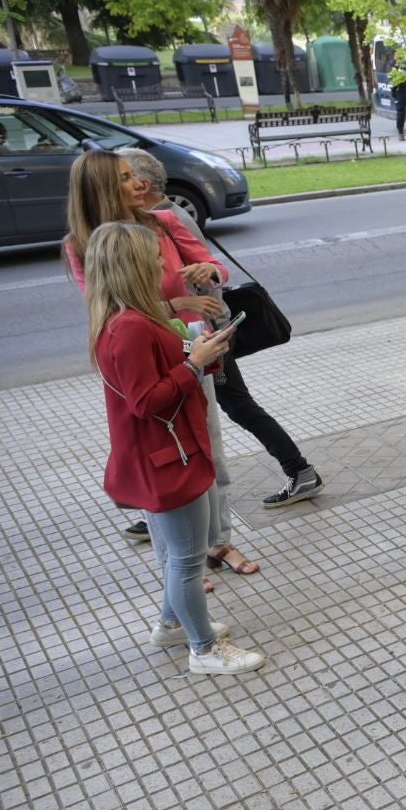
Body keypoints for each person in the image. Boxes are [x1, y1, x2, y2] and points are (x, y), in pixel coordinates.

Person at [63, 150, 259, 587]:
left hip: (189, 345)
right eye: (126, 178)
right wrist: (180, 303)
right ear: (100, 189)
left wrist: (209, 270)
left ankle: (218, 542)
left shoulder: (162, 222)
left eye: (136, 176)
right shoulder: (82, 244)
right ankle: (177, 565)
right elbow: (108, 310)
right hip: (138, 355)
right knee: (159, 457)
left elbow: (218, 272)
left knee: (208, 445)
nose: (140, 185)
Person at [84, 221, 265, 675]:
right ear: (131, 266)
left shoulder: (132, 318)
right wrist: (193, 363)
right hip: (167, 459)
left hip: (174, 453)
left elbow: (160, 373)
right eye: (153, 259)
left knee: (181, 556)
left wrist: (198, 351)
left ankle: (171, 624)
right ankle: (204, 650)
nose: (163, 266)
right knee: (185, 562)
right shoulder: (128, 327)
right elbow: (146, 401)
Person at [118, 148, 323, 510]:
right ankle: (169, 500)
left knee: (232, 407)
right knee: (211, 410)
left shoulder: (167, 219)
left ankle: (295, 471)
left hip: (201, 337)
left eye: (127, 176)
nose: (131, 184)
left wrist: (202, 281)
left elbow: (212, 277)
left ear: (144, 182)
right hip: (173, 337)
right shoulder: (120, 230)